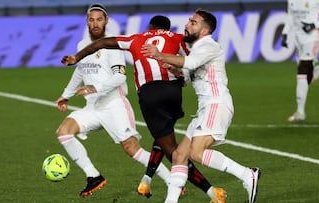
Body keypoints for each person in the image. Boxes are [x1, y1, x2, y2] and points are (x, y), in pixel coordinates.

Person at [62, 15, 226, 202]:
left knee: (172, 152)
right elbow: (191, 59)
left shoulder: (137, 38)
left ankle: (211, 191)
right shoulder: (176, 37)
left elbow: (102, 43)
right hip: (173, 92)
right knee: (163, 137)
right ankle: (147, 179)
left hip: (151, 94)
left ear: (150, 27)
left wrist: (77, 56)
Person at [141, 9, 261, 203]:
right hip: (205, 108)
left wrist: (161, 55)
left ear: (204, 31)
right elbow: (188, 76)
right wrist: (177, 71)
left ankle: (247, 174)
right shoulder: (197, 48)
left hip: (216, 104)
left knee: (196, 152)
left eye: (193, 23)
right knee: (179, 155)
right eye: (189, 21)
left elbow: (191, 62)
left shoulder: (209, 46)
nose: (187, 25)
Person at [55, 4, 171, 198]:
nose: (95, 23)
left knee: (132, 149)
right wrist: (66, 94)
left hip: (113, 104)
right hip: (93, 107)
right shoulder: (82, 46)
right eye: (91, 19)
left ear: (106, 21)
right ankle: (93, 176)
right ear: (87, 21)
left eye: (99, 19)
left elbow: (120, 77)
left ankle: (171, 179)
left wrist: (94, 88)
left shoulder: (112, 45)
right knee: (63, 132)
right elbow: (80, 70)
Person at [281, 0, 319, 122]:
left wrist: (315, 25)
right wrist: (285, 33)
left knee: (302, 71)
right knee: (307, 77)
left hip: (313, 38)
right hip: (298, 40)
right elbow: (291, 16)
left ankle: (300, 112)